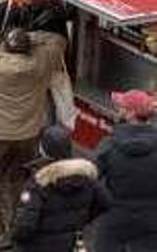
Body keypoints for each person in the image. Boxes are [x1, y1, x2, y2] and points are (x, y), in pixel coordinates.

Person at [0, 18, 67, 244]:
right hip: (27, 135)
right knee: (19, 179)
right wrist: (31, 38)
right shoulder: (41, 62)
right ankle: (17, 228)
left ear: (4, 47)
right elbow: (59, 40)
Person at [11, 125, 109, 252]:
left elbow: (26, 225)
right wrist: (81, 220)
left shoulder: (39, 182)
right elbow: (105, 202)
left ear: (44, 151)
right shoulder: (86, 176)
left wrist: (14, 237)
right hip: (68, 245)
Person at [92, 88, 157, 251]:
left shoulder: (109, 144)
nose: (118, 110)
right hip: (151, 219)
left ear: (131, 114)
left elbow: (91, 178)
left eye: (121, 107)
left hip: (114, 216)